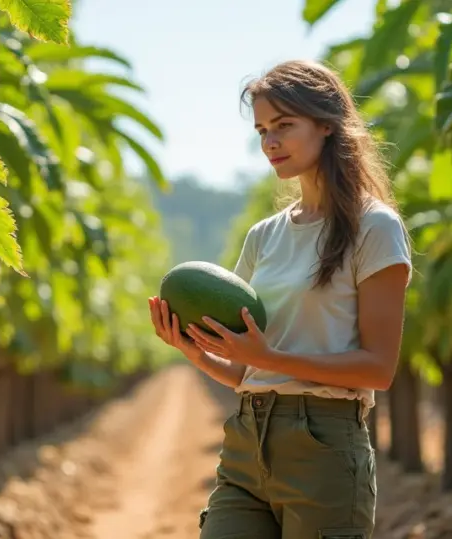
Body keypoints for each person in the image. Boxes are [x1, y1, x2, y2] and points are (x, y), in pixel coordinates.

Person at [148, 59, 412, 539]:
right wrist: (194, 351)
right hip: (248, 440)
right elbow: (248, 370)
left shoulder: (376, 228)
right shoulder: (263, 236)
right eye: (263, 129)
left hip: (325, 447)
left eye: (285, 126)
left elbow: (378, 368)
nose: (270, 142)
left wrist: (271, 357)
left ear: (328, 126)